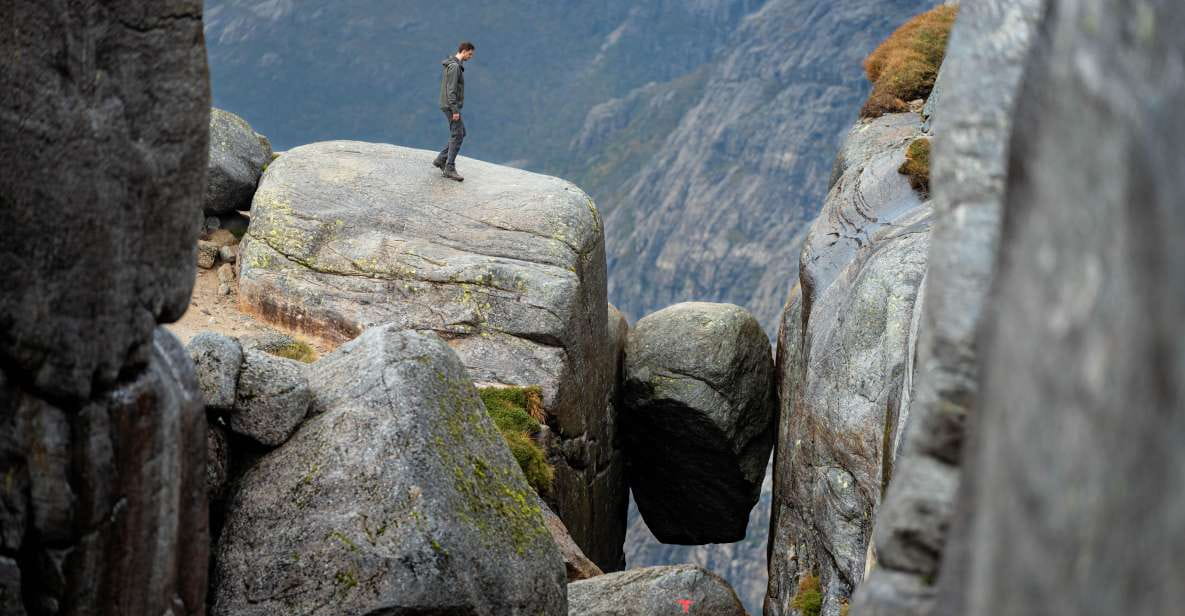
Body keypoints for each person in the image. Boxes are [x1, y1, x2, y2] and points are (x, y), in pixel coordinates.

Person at [433, 41, 475, 182]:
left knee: (460, 133)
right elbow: (451, 90)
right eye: (470, 54)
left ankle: (441, 159)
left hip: (448, 105)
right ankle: (449, 168)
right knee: (458, 134)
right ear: (464, 51)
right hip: (451, 106)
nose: (470, 57)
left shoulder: (452, 65)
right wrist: (455, 110)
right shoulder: (455, 67)